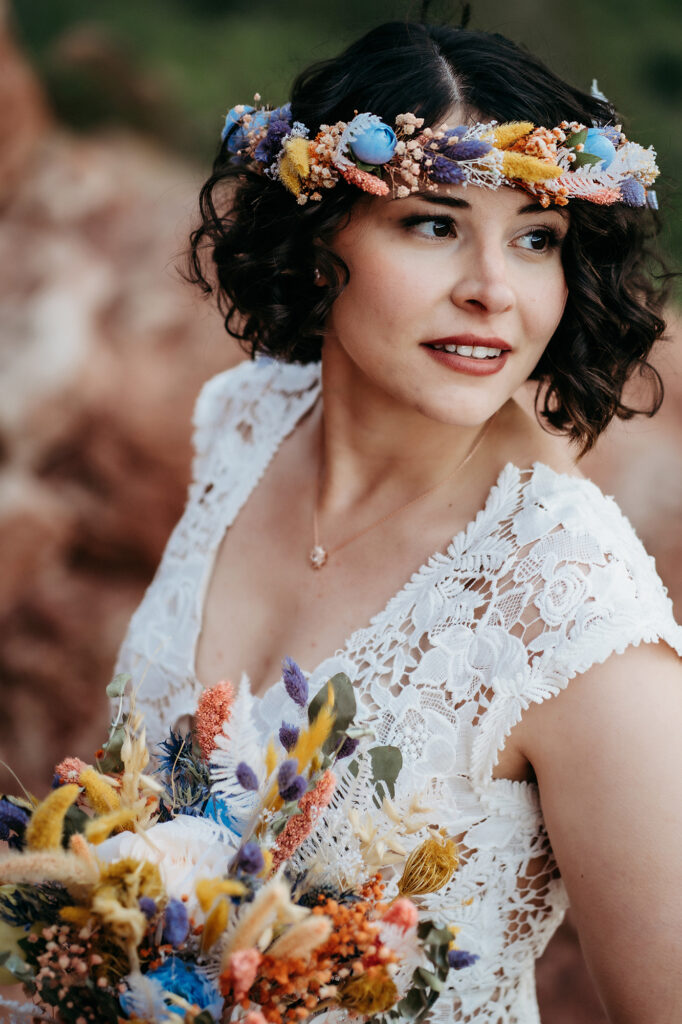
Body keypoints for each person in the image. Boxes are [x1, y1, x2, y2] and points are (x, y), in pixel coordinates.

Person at [114, 18, 682, 1024]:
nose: (492, 290)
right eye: (432, 223)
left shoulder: (571, 614)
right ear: (318, 232)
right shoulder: (245, 425)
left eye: (535, 238)